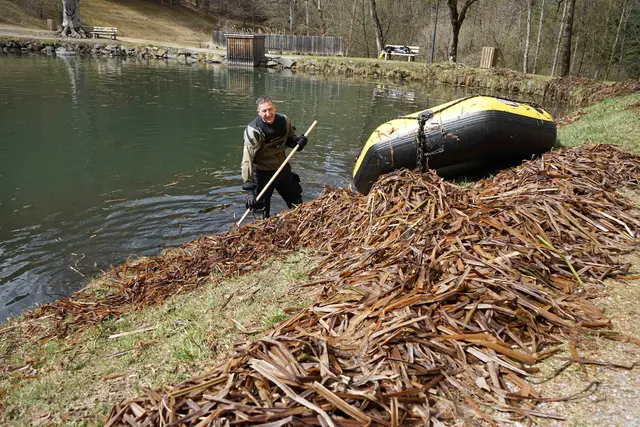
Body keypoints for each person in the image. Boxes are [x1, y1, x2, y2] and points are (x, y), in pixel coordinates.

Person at [241, 96, 308, 218]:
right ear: (259, 113)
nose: (268, 114)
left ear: (275, 108)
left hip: (282, 168)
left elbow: (290, 140)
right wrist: (249, 188)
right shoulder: (253, 130)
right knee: (260, 211)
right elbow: (247, 160)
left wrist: (299, 143)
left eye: (270, 109)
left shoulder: (284, 121)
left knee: (297, 204)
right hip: (262, 173)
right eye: (264, 111)